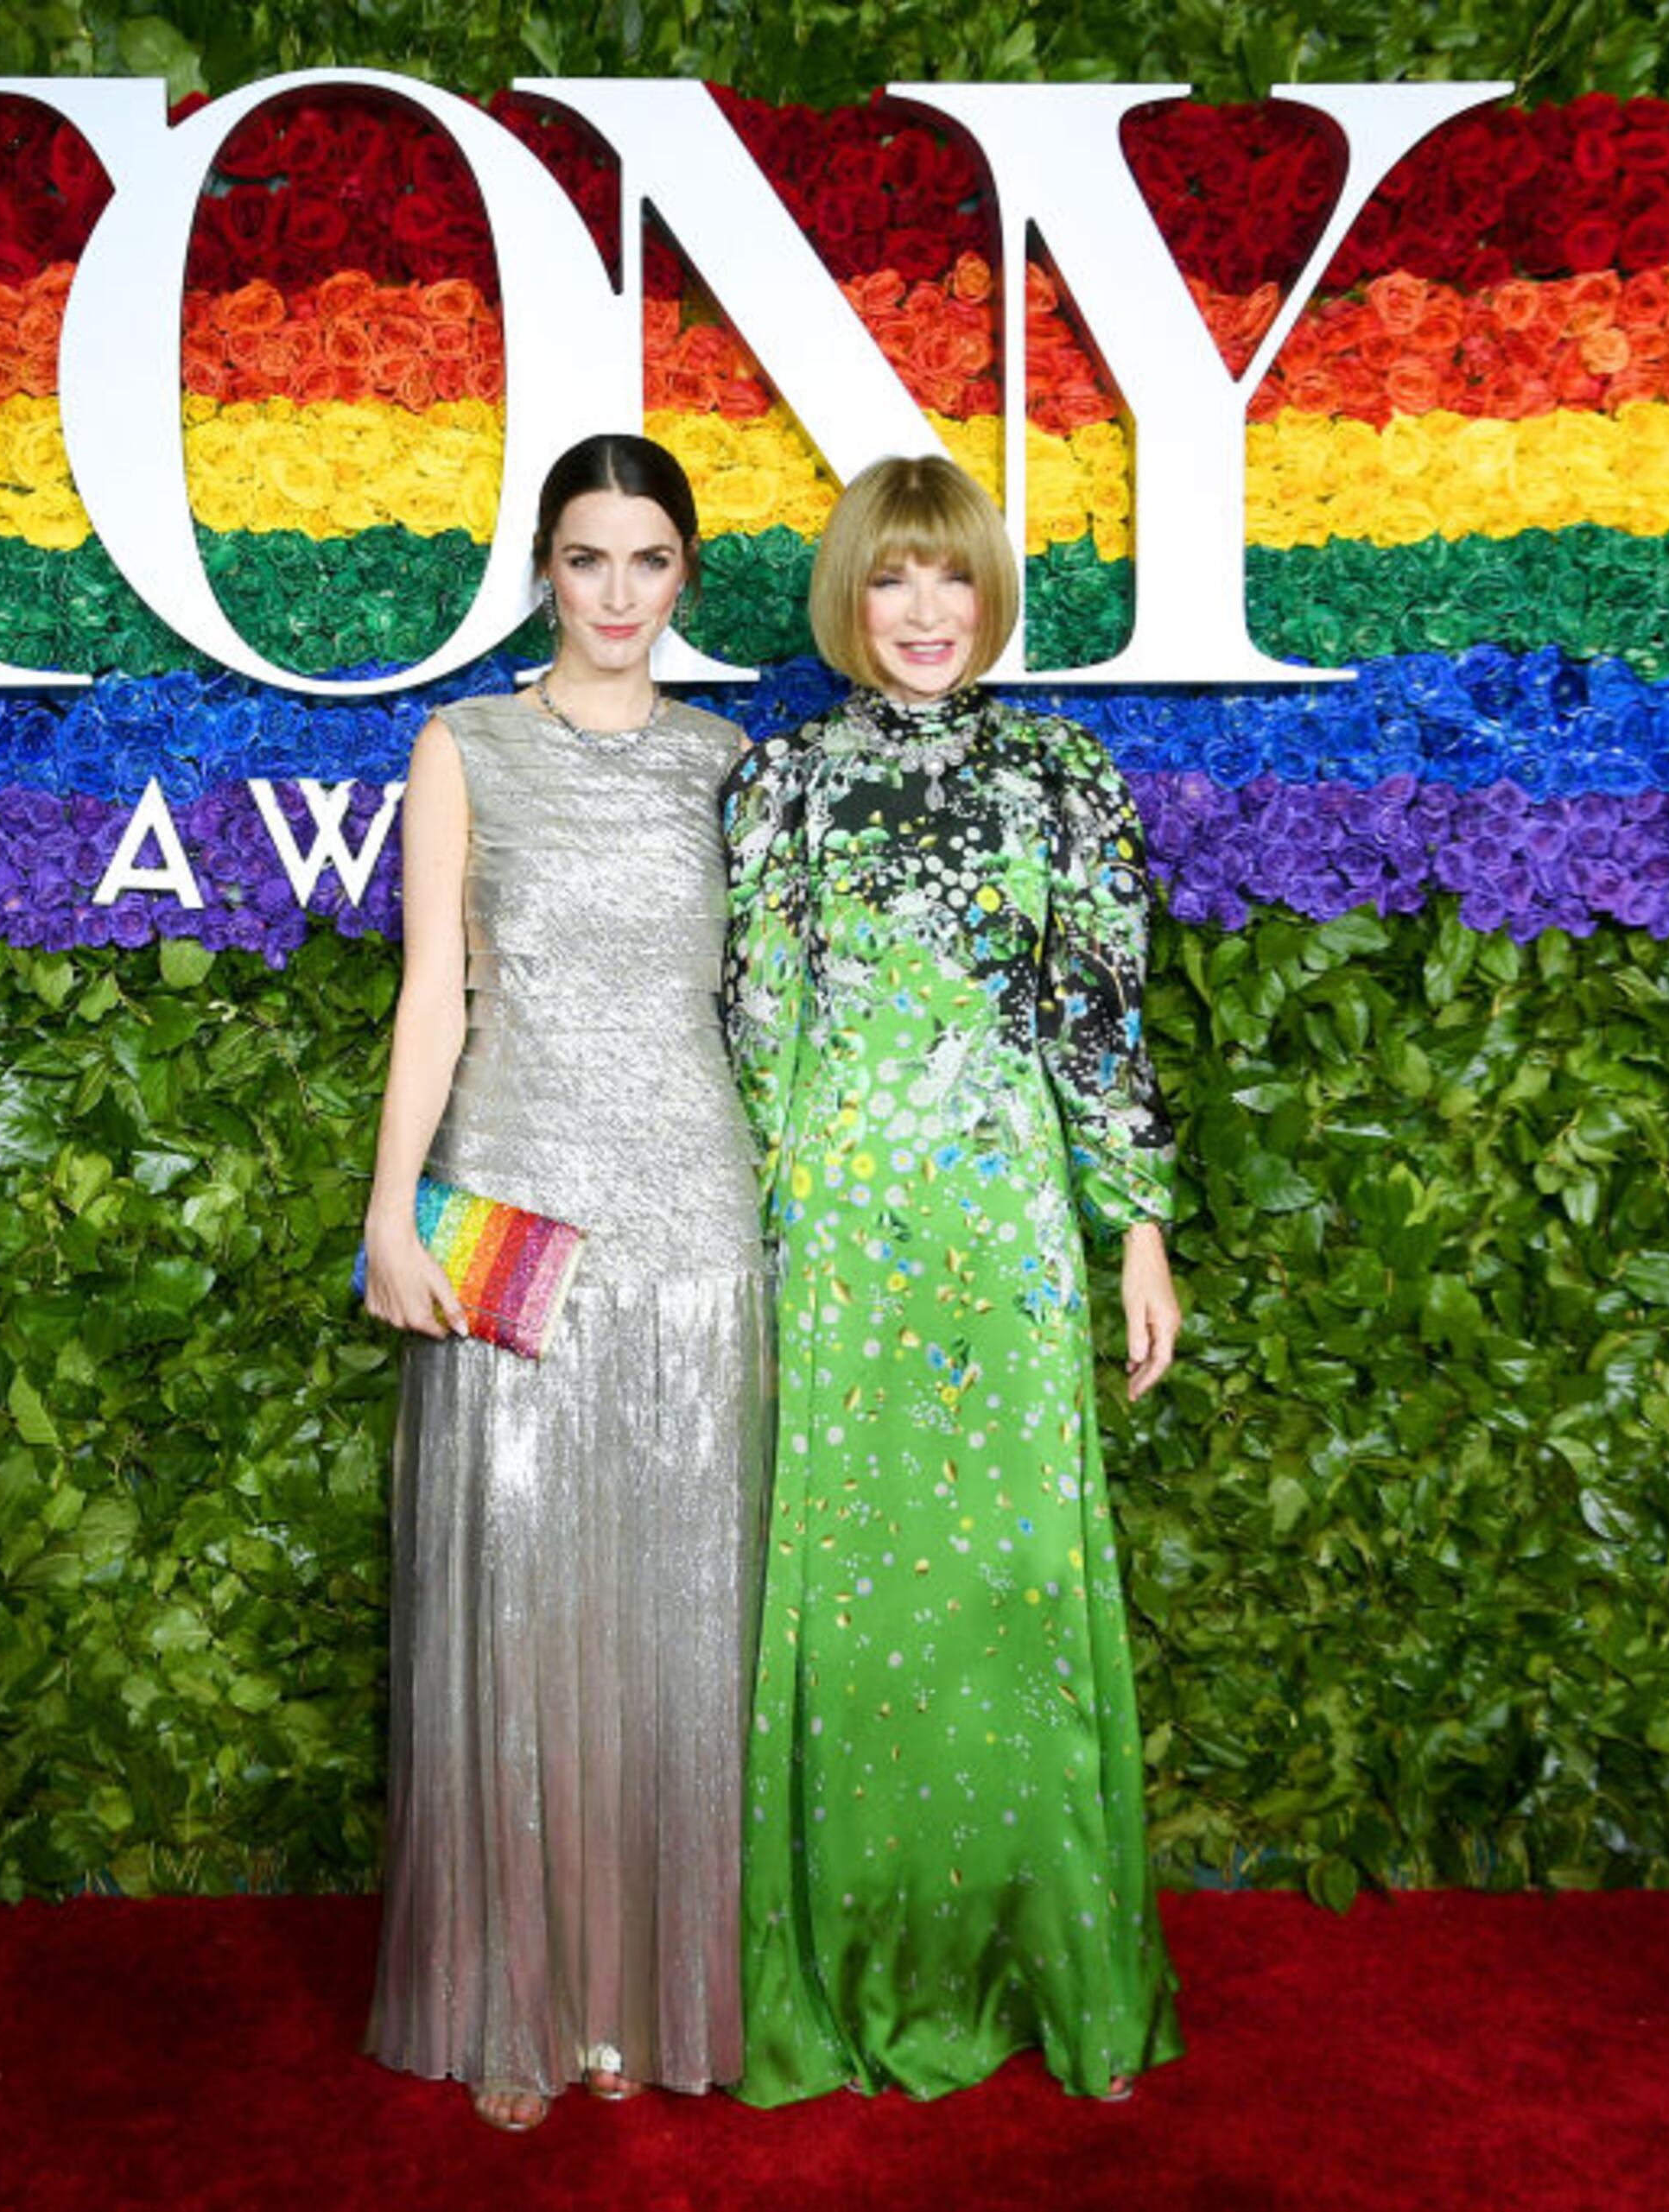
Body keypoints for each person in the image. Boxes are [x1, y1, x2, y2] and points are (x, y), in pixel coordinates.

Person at [721, 453, 1184, 2106]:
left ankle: (1059, 1972)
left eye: (955, 580)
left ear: (989, 593)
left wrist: (1133, 1225)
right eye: (894, 580)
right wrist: (773, 1229)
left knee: (1017, 1597)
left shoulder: (1064, 775)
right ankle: (848, 1973)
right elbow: (760, 1022)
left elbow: (1098, 1013)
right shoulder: (779, 783)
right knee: (849, 1603)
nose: (926, 613)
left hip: (1007, 1237)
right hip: (841, 1231)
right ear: (850, 595)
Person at [360, 434, 771, 2132]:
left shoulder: (732, 765)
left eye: (647, 561)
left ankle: (649, 1997)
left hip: (693, 1218)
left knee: (685, 1614)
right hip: (510, 1210)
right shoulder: (463, 745)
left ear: (685, 578)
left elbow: (767, 1009)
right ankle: (527, 1992)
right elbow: (435, 1000)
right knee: (517, 1611)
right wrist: (391, 1215)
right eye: (586, 559)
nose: (615, 595)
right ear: (544, 567)